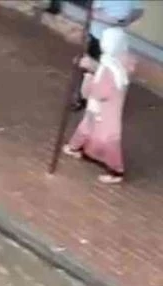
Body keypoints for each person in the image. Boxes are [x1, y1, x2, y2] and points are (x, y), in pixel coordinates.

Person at [63, 26, 131, 183]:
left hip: (105, 111)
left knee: (108, 139)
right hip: (100, 109)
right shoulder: (115, 62)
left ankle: (116, 170)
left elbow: (100, 92)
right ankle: (76, 147)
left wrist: (89, 79)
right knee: (87, 127)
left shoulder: (111, 69)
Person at [73, 1, 143, 110]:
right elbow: (93, 12)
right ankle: (84, 97)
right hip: (99, 36)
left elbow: (139, 10)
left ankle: (97, 99)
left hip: (114, 40)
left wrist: (124, 21)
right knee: (90, 69)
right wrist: (117, 22)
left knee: (103, 70)